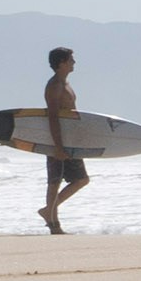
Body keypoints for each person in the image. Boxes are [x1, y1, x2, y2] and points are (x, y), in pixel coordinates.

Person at [40, 47, 88, 234]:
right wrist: (58, 147)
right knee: (55, 181)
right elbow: (52, 117)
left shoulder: (64, 83)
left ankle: (48, 211)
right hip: (57, 141)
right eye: (71, 60)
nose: (74, 63)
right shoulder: (55, 86)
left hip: (69, 140)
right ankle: (54, 225)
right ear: (61, 63)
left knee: (81, 179)